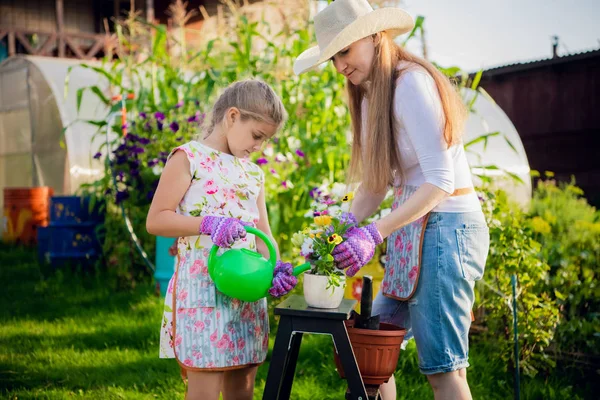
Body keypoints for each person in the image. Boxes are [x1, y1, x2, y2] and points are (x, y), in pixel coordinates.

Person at [294, 1, 490, 399]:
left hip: (446, 228)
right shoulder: (370, 96)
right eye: (333, 57)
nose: (340, 67)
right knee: (367, 356)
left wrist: (373, 233)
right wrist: (327, 243)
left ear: (373, 35)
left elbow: (439, 181)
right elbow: (374, 186)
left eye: (344, 51)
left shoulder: (411, 83)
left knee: (443, 368)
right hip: (412, 227)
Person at [146, 79, 297, 400]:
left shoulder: (252, 173)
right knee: (205, 388)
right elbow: (156, 219)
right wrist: (208, 223)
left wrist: (276, 267)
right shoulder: (189, 158)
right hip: (203, 290)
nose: (259, 146)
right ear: (232, 116)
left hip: (246, 295)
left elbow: (263, 235)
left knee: (242, 386)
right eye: (257, 135)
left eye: (266, 140)